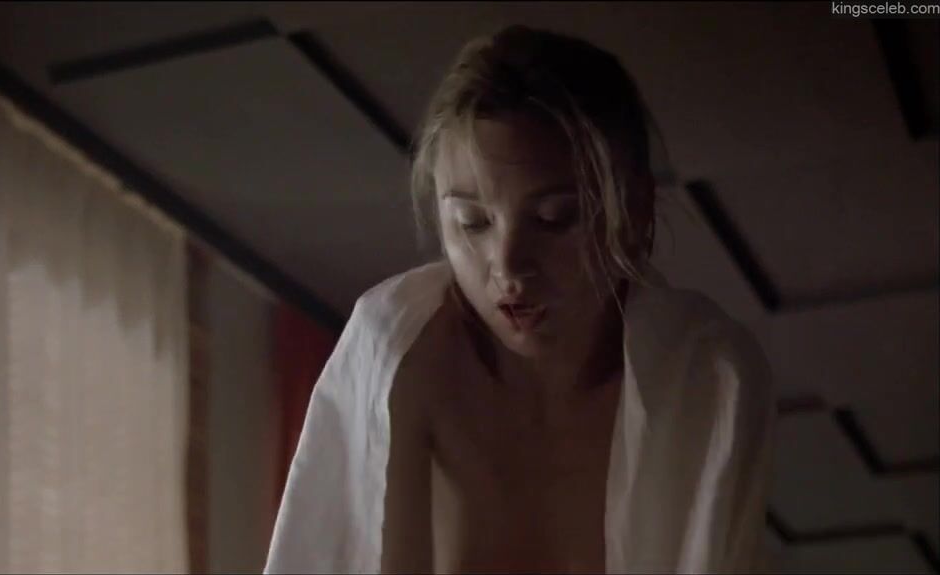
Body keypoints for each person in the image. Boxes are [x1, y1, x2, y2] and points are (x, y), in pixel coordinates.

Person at [264, 24, 776, 574]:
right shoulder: (403, 357)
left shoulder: (709, 377)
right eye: (472, 222)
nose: (507, 267)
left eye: (554, 219)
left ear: (634, 213)